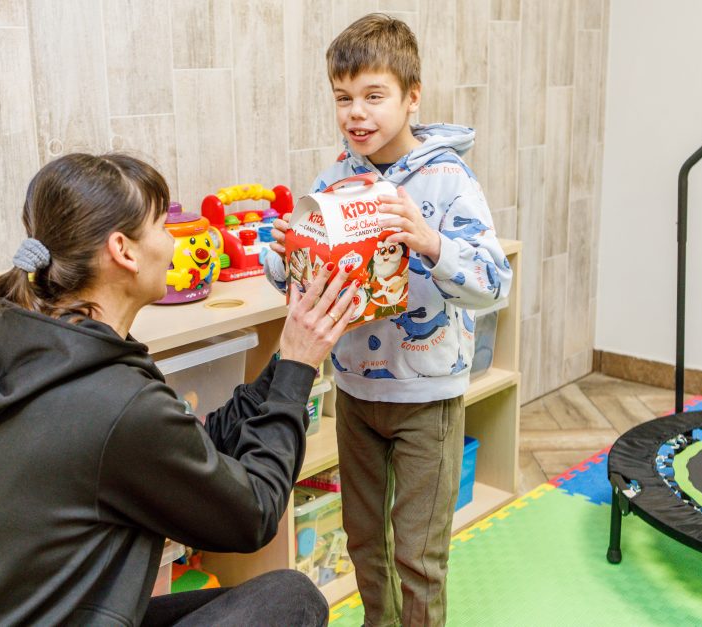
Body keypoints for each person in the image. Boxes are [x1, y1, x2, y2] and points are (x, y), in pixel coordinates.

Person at [0, 152, 360, 626]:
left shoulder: (27, 349)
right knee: (291, 600)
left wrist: (289, 358)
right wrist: (297, 369)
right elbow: (254, 512)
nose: (173, 243)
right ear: (123, 250)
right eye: (162, 226)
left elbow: (185, 452)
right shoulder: (112, 399)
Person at [263, 14, 513, 627]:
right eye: (343, 98)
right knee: (364, 546)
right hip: (354, 389)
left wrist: (429, 240)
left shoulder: (449, 177)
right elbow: (306, 279)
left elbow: (493, 283)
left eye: (374, 96)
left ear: (411, 97)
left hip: (426, 394)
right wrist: (283, 257)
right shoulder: (335, 177)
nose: (357, 113)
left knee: (419, 557)